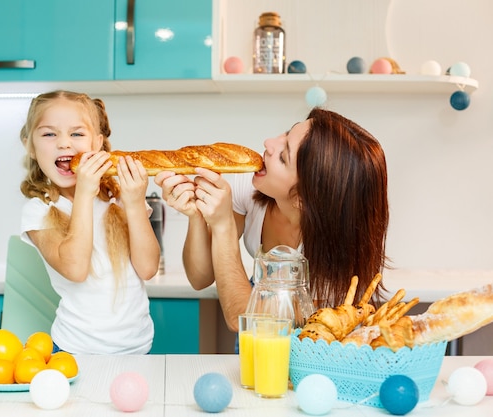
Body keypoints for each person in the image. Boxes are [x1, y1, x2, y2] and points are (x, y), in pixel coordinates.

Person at [155, 108, 389, 332]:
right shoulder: (249, 186)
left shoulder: (334, 254)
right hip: (256, 325)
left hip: (307, 348)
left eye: (283, 156)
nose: (268, 143)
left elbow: (251, 324)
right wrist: (196, 213)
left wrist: (223, 225)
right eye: (287, 133)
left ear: (303, 199)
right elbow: (200, 277)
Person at [19, 90, 159, 354]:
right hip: (74, 350)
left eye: (77, 134)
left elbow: (148, 268)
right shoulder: (39, 210)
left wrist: (134, 203)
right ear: (31, 146)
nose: (63, 144)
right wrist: (84, 193)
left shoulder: (118, 197)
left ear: (97, 144)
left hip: (138, 348)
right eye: (49, 134)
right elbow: (75, 269)